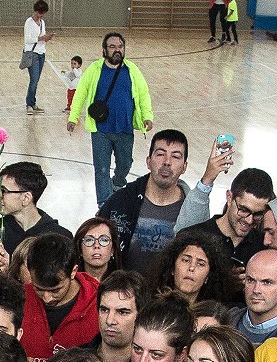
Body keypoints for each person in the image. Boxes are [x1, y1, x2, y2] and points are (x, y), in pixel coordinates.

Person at [97, 129, 219, 278]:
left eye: (175, 156)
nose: (167, 162)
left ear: (184, 167)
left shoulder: (193, 210)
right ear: (149, 161)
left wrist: (208, 178)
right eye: (160, 154)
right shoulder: (121, 201)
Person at [70, 32, 155, 206]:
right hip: (101, 130)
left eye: (120, 47)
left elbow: (144, 94)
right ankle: (104, 205)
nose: (117, 50)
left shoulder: (132, 70)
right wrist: (73, 117)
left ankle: (117, 184)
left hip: (125, 128)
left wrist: (147, 116)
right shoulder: (94, 69)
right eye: (112, 47)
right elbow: (81, 93)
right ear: (104, 50)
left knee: (125, 163)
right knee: (101, 169)